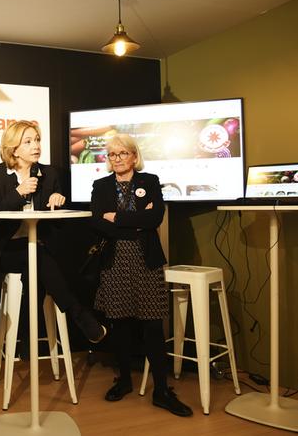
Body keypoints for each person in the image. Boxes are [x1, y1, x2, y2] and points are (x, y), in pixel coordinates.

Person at [89, 133, 192, 417]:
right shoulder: (101, 186)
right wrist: (135, 223)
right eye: (112, 154)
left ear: (134, 156)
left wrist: (118, 218)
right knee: (119, 323)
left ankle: (161, 390)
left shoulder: (150, 181)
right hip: (115, 260)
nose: (117, 159)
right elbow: (97, 223)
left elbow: (154, 218)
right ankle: (123, 381)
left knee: (152, 325)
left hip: (146, 259)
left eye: (122, 153)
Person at [0, 120, 106, 344]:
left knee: (39, 263)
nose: (36, 146)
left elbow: (57, 223)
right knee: (39, 261)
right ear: (14, 148)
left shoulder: (49, 174)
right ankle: (79, 315)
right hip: (11, 249)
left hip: (44, 247)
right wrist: (18, 193)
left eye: (37, 140)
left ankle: (26, 341)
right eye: (28, 141)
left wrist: (56, 200)